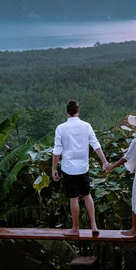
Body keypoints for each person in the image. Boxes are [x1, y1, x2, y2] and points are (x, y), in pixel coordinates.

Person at [52, 99, 108, 236]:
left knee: (73, 198)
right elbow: (96, 145)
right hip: (83, 168)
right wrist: (104, 161)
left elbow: (57, 151)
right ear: (78, 110)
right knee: (87, 195)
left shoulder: (61, 128)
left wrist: (54, 169)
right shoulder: (86, 126)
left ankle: (75, 228)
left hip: (68, 169)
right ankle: (94, 225)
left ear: (67, 112)